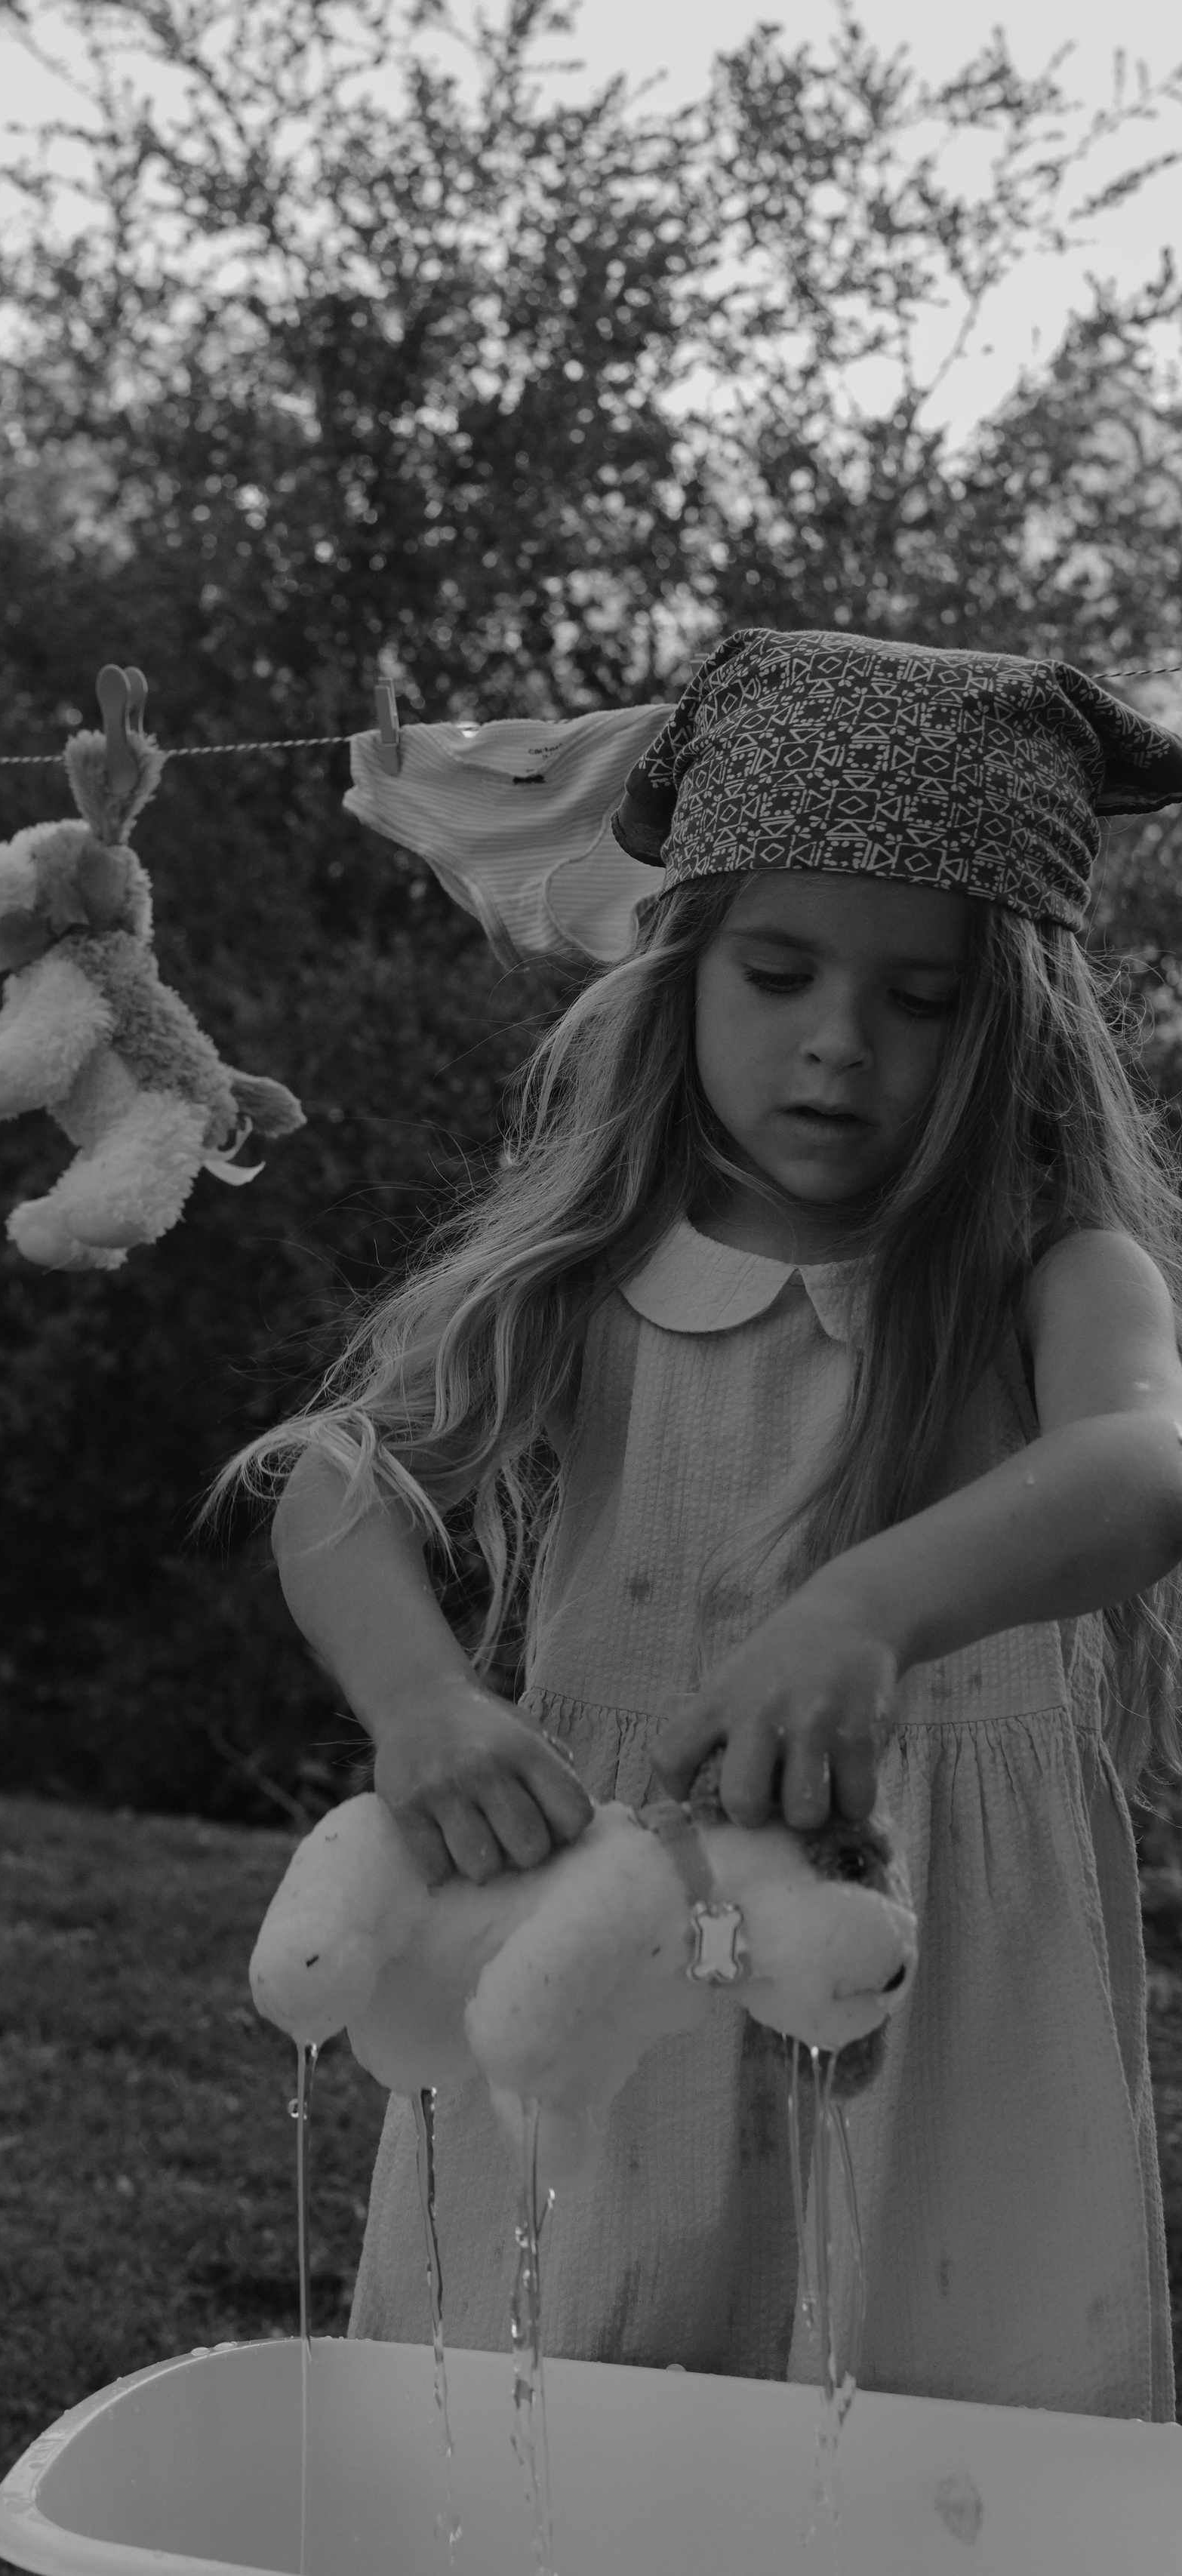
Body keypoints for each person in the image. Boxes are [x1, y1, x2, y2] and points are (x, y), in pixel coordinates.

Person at [227, 629, 1182, 2420]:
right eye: (777, 969)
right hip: (605, 1941)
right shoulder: (594, 1269)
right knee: (565, 2400)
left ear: (1015, 1022)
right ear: (681, 976)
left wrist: (866, 1613)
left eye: (922, 999)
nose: (838, 1045)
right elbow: (334, 1477)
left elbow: (1144, 1475)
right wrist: (422, 1706)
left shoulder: (1053, 1275)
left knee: (930, 2432)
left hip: (936, 1970)